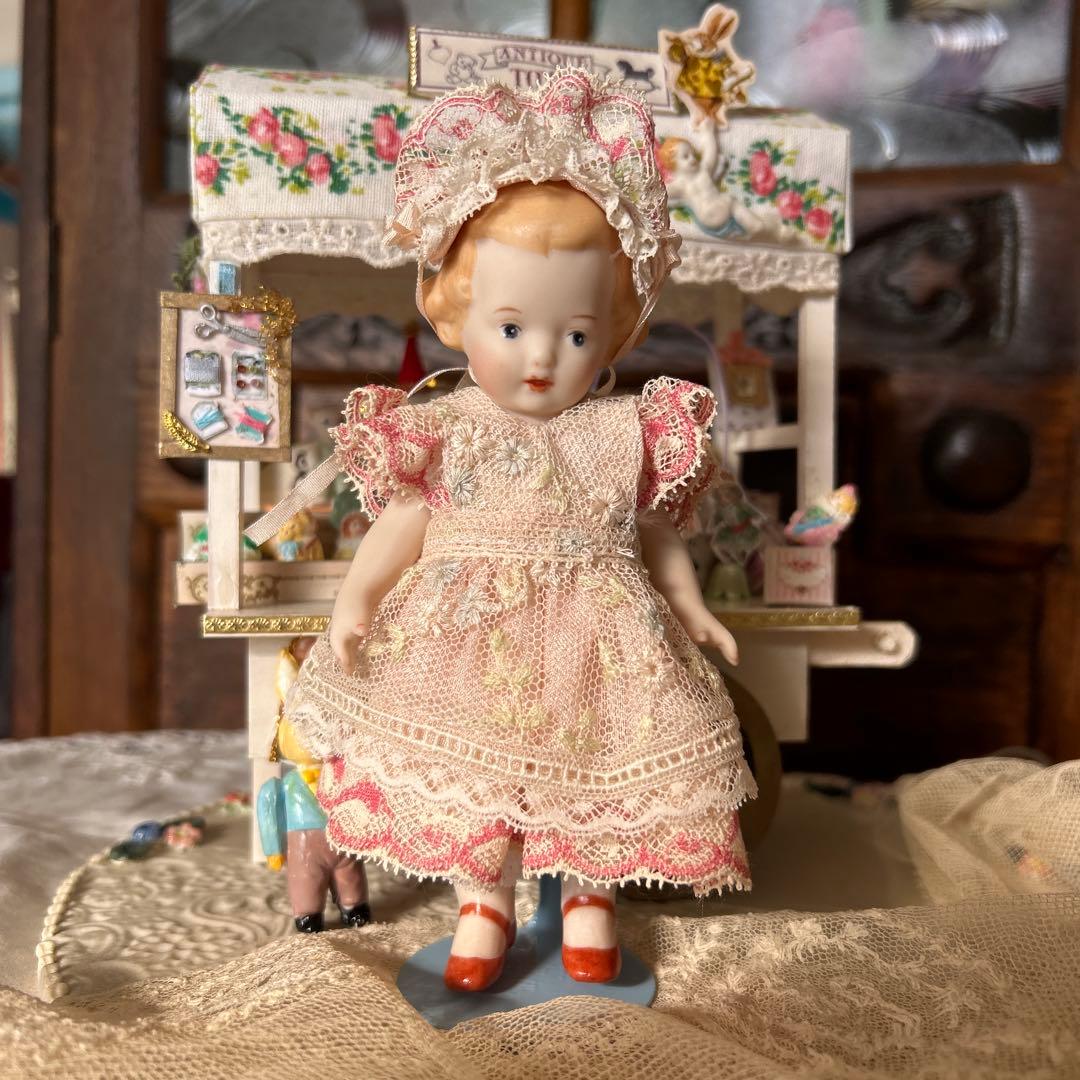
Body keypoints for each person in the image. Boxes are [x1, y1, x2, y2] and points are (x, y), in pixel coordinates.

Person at [279, 70, 756, 991]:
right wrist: (356, 598)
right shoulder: (447, 425)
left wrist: (690, 604)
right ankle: (483, 905)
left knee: (595, 773)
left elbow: (652, 529)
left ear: (614, 331)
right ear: (455, 316)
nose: (541, 358)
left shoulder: (624, 428)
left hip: (600, 642)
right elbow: (406, 522)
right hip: (468, 639)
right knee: (480, 785)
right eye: (510, 328)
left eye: (575, 336)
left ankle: (588, 902)